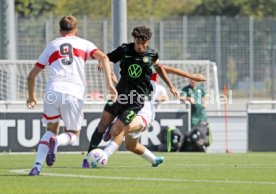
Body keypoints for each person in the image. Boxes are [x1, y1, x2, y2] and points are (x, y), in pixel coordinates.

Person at [26, 15, 117, 176]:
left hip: (52, 91)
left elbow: (31, 76)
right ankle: (58, 141)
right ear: (76, 29)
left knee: (50, 130)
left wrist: (31, 97)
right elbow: (103, 57)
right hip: (73, 92)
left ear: (60, 30)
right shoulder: (83, 43)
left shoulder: (52, 45)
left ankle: (36, 166)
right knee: (73, 134)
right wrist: (109, 85)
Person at [83, 26, 178, 167]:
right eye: (138, 43)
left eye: (144, 44)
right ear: (134, 40)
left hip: (136, 100)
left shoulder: (152, 55)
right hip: (119, 94)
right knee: (102, 125)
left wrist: (170, 85)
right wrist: (106, 69)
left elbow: (160, 69)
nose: (140, 47)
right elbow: (105, 58)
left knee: (116, 131)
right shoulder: (124, 49)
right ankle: (88, 158)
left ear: (148, 42)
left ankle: (108, 138)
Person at [82, 64, 206, 167]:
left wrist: (190, 76)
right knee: (131, 146)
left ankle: (104, 156)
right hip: (129, 108)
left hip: (144, 113)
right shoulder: (131, 70)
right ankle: (154, 160)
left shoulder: (150, 69)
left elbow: (166, 69)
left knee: (123, 127)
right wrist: (115, 80)